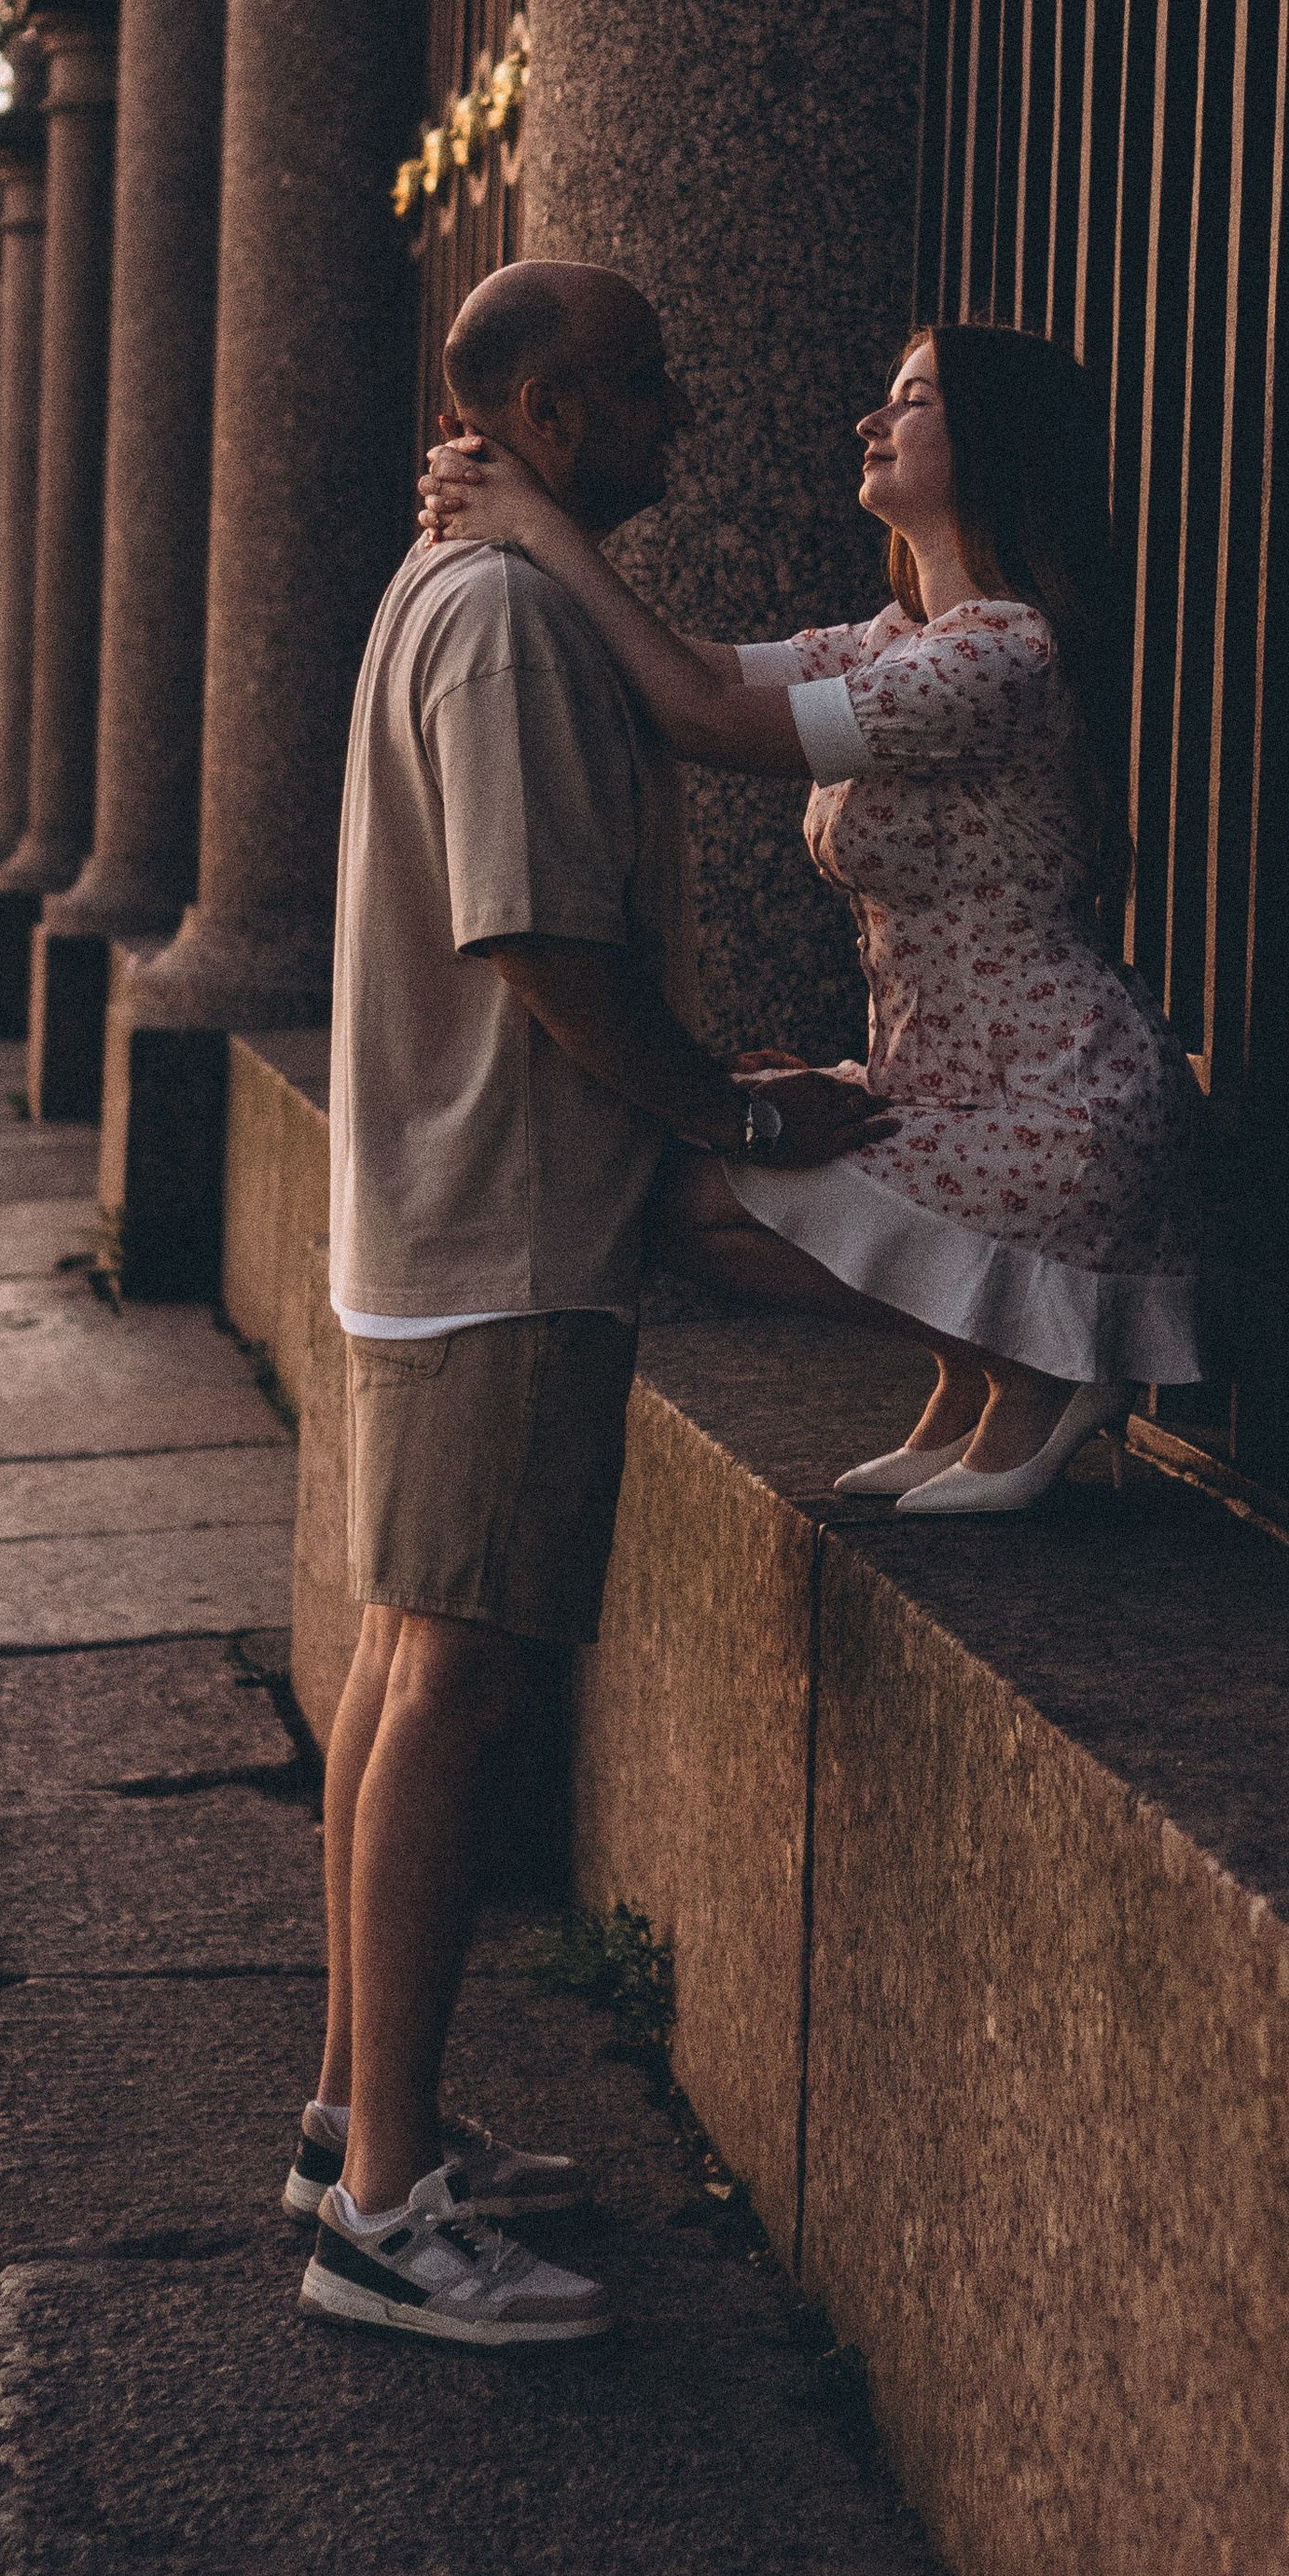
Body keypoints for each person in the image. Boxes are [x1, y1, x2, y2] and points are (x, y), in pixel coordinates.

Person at [297, 258, 894, 2351]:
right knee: (450, 1689)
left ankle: (363, 2118)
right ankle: (381, 2215)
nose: (682, 421)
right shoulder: (515, 619)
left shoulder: (448, 587)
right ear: (547, 410)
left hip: (431, 1213)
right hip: (507, 1224)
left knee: (397, 1664)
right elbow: (544, 944)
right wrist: (727, 1104)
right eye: (645, 389)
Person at [423, 317, 1203, 1514]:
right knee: (677, 1175)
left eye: (915, 401)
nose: (871, 420)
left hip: (1058, 1101)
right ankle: (976, 1364)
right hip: (953, 1082)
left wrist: (537, 527)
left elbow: (701, 719)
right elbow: (701, 665)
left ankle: (1042, 1363)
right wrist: (510, 502)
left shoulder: (1005, 656)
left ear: (994, 444)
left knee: (689, 1199)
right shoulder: (899, 641)